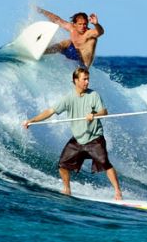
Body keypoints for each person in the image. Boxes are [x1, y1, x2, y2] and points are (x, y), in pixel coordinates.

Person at [22, 67, 123, 201]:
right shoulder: (68, 98)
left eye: (88, 79)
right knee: (62, 164)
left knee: (105, 163)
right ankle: (67, 189)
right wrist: (32, 120)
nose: (87, 82)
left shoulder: (93, 95)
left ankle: (117, 191)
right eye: (84, 79)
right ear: (76, 81)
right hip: (78, 139)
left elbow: (104, 112)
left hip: (94, 138)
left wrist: (94, 114)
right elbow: (50, 111)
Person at [37, 7, 104, 69]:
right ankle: (42, 52)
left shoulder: (89, 33)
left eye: (85, 24)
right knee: (65, 43)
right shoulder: (72, 28)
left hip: (82, 64)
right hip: (71, 54)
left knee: (68, 42)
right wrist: (42, 11)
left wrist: (96, 24)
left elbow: (100, 32)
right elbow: (57, 20)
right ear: (74, 24)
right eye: (80, 24)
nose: (83, 26)